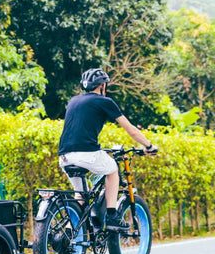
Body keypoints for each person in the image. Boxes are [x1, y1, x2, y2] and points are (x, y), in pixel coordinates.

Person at [58, 68, 157, 232]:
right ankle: (112, 217)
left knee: (81, 196)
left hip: (65, 156)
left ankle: (67, 234)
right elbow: (131, 129)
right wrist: (149, 146)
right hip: (86, 153)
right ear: (102, 85)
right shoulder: (104, 102)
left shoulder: (73, 101)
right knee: (112, 170)